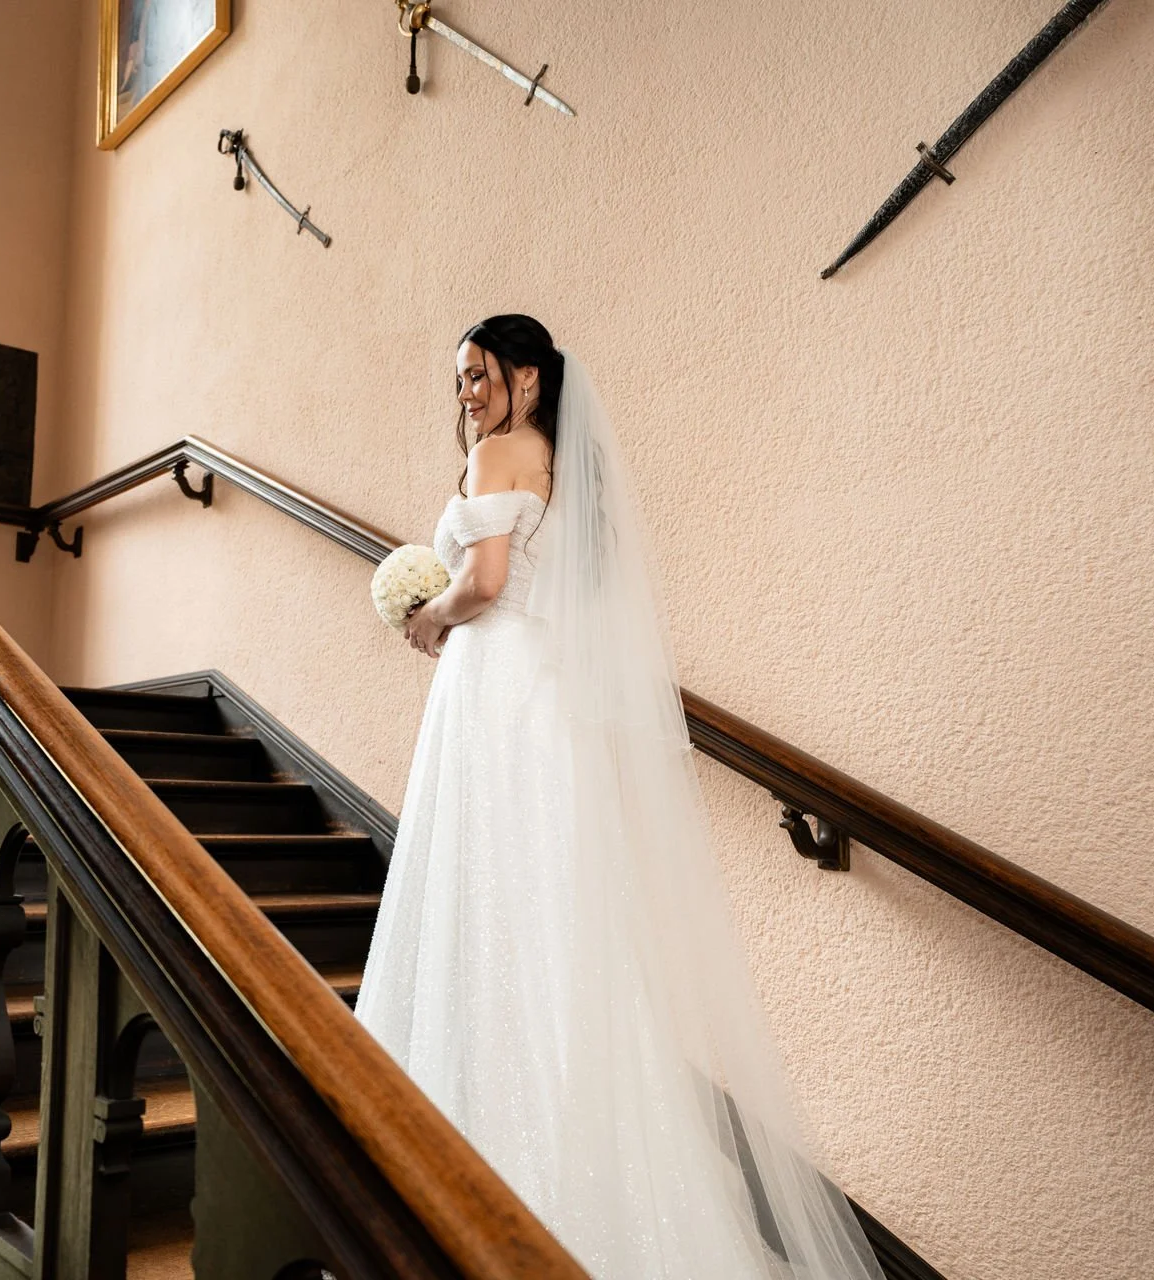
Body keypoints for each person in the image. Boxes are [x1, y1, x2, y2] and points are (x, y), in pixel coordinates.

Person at [354, 314, 883, 1278]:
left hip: (494, 694)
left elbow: (486, 582)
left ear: (527, 376)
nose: (466, 394)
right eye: (459, 380)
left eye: (480, 374)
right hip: (542, 703)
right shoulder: (560, 464)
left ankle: (469, 1158)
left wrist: (427, 618)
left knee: (487, 906)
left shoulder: (500, 453)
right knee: (552, 920)